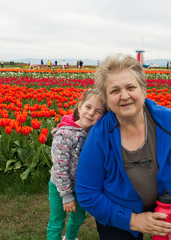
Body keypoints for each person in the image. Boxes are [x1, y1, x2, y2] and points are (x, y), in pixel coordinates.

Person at [75, 54, 171, 240]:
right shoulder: (100, 136)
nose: (124, 96)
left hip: (168, 205)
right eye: (114, 91)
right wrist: (135, 220)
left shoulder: (169, 123)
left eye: (131, 87)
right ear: (106, 98)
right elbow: (87, 193)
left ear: (143, 89)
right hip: (119, 209)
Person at [47, 89, 107, 240]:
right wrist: (66, 195)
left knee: (79, 217)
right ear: (79, 107)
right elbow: (60, 168)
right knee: (57, 221)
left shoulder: (95, 134)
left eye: (98, 111)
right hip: (59, 187)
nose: (91, 113)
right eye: (88, 107)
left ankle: (70, 237)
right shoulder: (65, 134)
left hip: (81, 188)